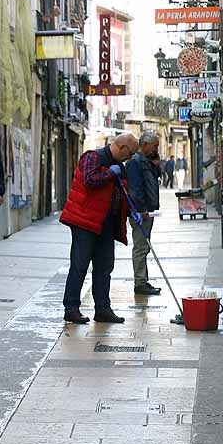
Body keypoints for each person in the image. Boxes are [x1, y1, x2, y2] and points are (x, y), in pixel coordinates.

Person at [58, 132, 139, 324]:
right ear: (121, 147)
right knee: (79, 266)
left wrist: (132, 211)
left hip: (106, 225)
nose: (129, 159)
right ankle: (71, 308)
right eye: (129, 154)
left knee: (104, 268)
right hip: (85, 223)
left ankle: (102, 309)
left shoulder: (120, 166)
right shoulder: (93, 157)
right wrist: (110, 173)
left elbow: (121, 193)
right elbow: (90, 180)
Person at [126, 132, 163, 296]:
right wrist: (141, 210)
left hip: (148, 210)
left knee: (144, 246)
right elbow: (135, 188)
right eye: (155, 146)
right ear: (145, 144)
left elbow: (154, 181)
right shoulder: (135, 162)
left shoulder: (146, 162)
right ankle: (140, 282)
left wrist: (156, 165)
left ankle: (143, 280)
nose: (156, 149)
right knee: (141, 246)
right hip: (142, 212)